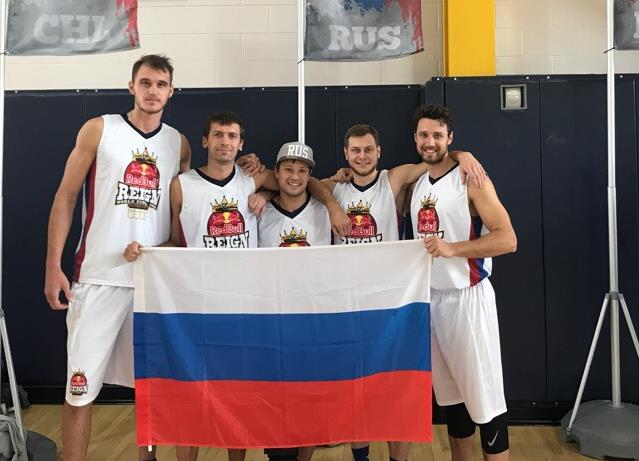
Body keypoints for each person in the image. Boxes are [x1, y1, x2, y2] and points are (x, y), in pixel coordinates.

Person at [124, 113, 349, 461]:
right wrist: (148, 252)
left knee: (238, 397)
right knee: (191, 394)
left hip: (243, 306)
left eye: (231, 136)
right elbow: (175, 240)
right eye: (218, 135)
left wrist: (326, 203)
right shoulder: (181, 185)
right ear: (205, 140)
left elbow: (306, 182)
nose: (225, 142)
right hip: (198, 303)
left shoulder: (250, 180)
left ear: (241, 143)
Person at [44, 54, 192, 461]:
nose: (152, 91)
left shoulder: (178, 143)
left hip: (151, 282)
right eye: (145, 83)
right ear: (131, 86)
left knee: (150, 387)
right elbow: (66, 196)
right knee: (79, 389)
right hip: (98, 277)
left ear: (171, 91)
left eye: (160, 84)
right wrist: (53, 266)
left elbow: (186, 206)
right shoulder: (100, 129)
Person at [320, 124, 486, 461]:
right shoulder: (334, 188)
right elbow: (302, 183)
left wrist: (462, 154)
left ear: (379, 152)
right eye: (355, 150)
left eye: (368, 150)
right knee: (355, 390)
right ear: (346, 154)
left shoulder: (392, 179)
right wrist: (333, 206)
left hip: (392, 302)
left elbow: (436, 158)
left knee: (397, 392)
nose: (362, 156)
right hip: (350, 303)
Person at [409, 104, 517, 461]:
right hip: (432, 300)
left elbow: (507, 239)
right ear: (415, 138)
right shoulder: (418, 182)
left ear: (450, 138)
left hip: (468, 298)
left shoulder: (471, 179)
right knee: (453, 399)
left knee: (485, 399)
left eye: (437, 135)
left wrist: (452, 248)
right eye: (424, 135)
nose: (430, 141)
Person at [256, 141, 330, 461]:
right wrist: (262, 194)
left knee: (309, 398)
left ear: (310, 176)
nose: (295, 176)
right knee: (274, 398)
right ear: (276, 172)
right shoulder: (259, 212)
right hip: (273, 319)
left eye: (302, 170)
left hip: (312, 319)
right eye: (288, 169)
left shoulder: (325, 210)